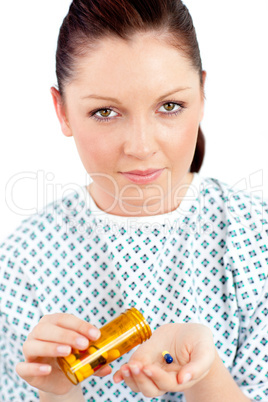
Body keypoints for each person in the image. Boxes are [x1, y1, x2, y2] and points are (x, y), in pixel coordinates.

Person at [0, 0, 267, 401]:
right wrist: (57, 394)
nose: (141, 147)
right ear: (62, 111)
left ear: (202, 94)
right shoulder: (22, 264)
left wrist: (205, 378)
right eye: (105, 111)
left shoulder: (257, 240)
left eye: (170, 106)